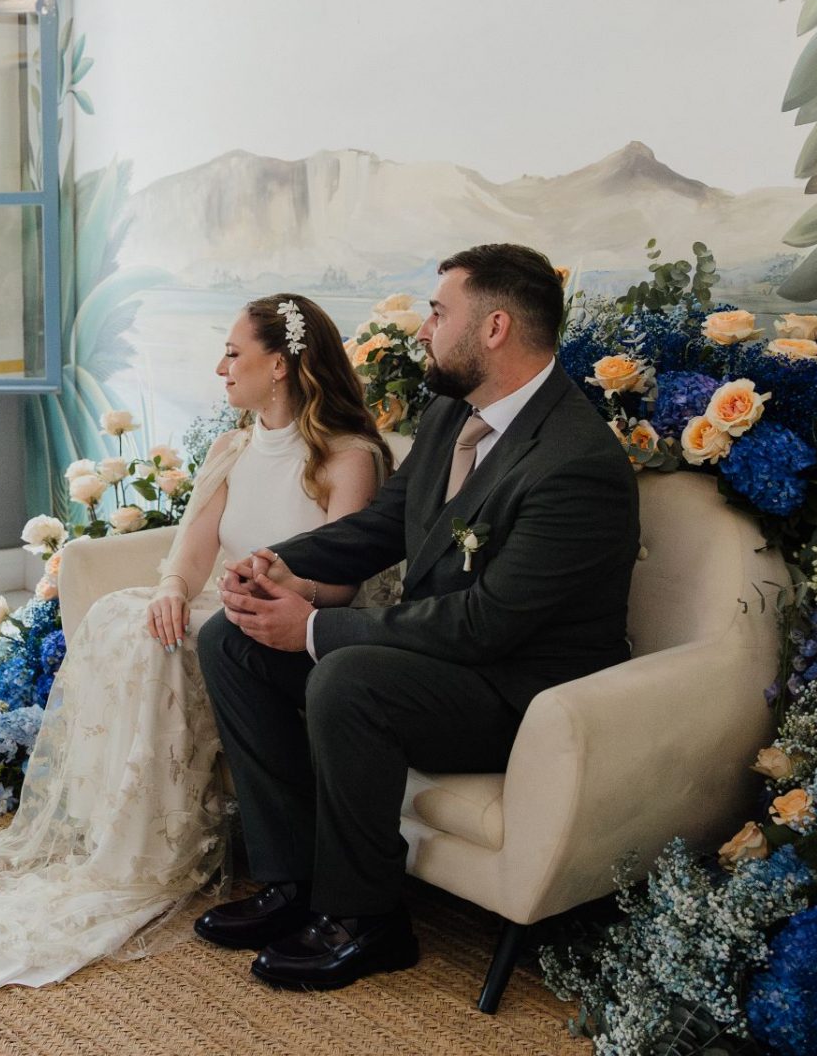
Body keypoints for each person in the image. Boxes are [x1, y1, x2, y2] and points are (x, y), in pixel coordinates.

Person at [0, 294, 387, 996]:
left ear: (279, 364)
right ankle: (122, 838)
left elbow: (340, 582)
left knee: (169, 645)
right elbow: (194, 547)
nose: (221, 367)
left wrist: (278, 581)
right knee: (126, 619)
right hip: (223, 599)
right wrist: (173, 588)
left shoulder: (348, 456)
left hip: (290, 619)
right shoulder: (233, 447)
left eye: (233, 353)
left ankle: (198, 859)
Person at [193, 242, 640, 992]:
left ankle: (366, 918)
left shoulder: (574, 462)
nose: (424, 330)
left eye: (438, 312)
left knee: (348, 679)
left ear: (494, 327)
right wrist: (275, 563)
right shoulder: (450, 414)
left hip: (521, 696)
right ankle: (291, 879)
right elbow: (381, 527)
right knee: (228, 639)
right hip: (447, 661)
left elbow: (486, 623)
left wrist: (311, 628)